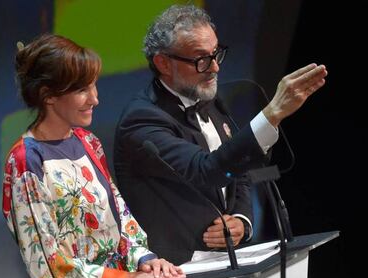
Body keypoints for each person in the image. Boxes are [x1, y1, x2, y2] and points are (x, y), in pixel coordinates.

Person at [113, 5, 327, 264]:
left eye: (216, 54)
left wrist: (242, 221)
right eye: (201, 59)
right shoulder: (141, 120)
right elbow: (207, 171)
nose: (214, 67)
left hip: (225, 263)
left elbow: (241, 170)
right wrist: (271, 114)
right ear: (163, 63)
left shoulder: (210, 101)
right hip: (173, 273)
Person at [2, 33, 185, 278]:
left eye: (94, 86)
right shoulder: (27, 160)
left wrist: (145, 259)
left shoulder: (88, 143)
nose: (95, 99)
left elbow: (119, 215)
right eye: (81, 90)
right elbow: (47, 259)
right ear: (48, 95)